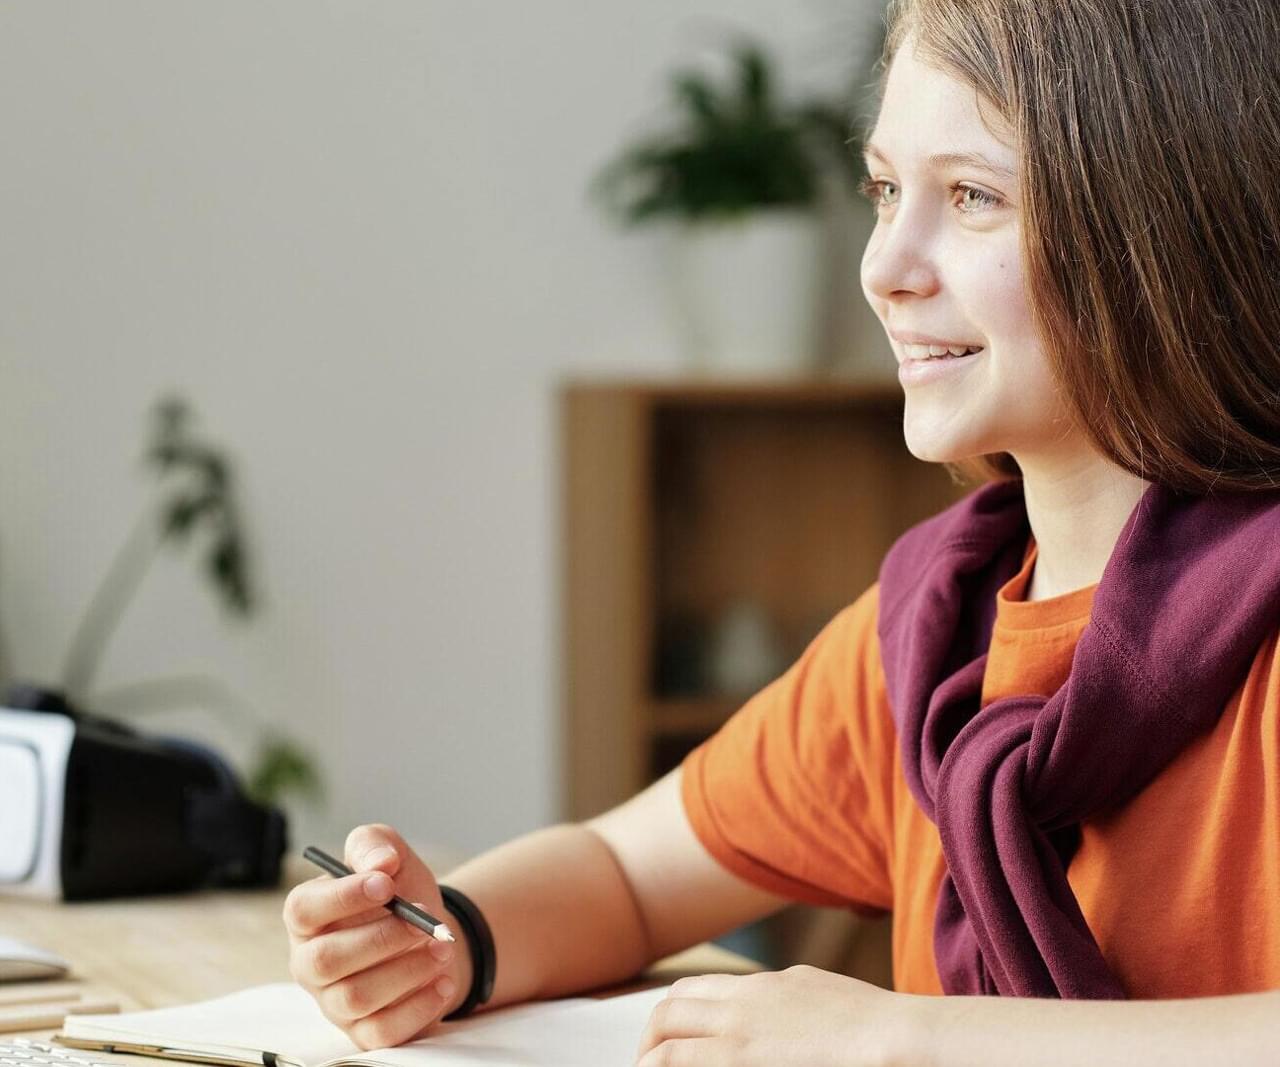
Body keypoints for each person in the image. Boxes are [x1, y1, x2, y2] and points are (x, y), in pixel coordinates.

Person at [283, 0, 1280, 1062]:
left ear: (1170, 229)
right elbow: (624, 873)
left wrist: (908, 1043)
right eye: (886, 191)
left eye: (973, 197)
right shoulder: (932, 634)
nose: (884, 265)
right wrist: (453, 941)